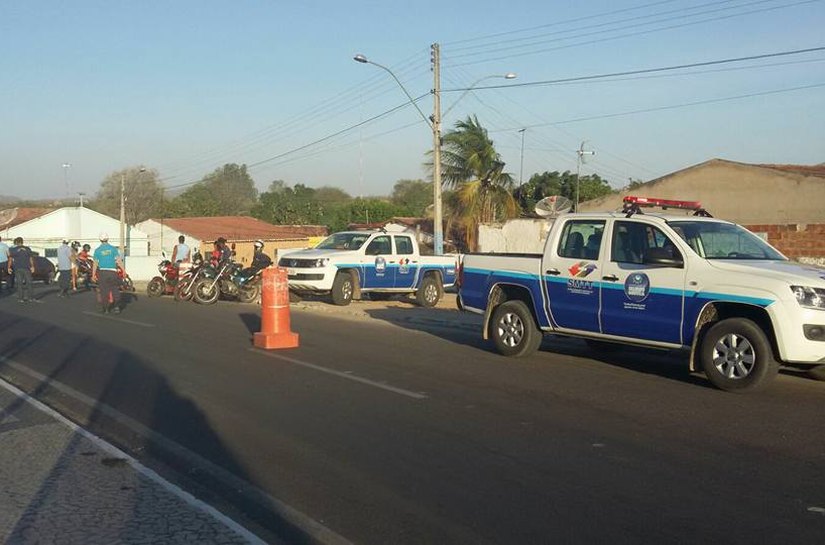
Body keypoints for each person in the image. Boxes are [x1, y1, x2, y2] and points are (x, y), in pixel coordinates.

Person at [91, 232, 124, 314]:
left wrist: (93, 275)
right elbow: (118, 260)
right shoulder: (113, 249)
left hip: (102, 272)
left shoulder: (97, 250)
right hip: (113, 272)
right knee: (115, 289)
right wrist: (123, 270)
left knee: (104, 291)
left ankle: (106, 309)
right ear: (108, 239)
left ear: (100, 240)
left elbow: (95, 263)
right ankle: (116, 307)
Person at [8, 237, 38, 303]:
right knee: (29, 283)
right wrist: (32, 266)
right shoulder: (28, 249)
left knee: (19, 283)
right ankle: (31, 298)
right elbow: (31, 258)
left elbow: (10, 259)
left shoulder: (13, 250)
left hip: (18, 268)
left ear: (16, 242)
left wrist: (9, 267)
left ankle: (20, 298)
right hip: (27, 268)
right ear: (22, 242)